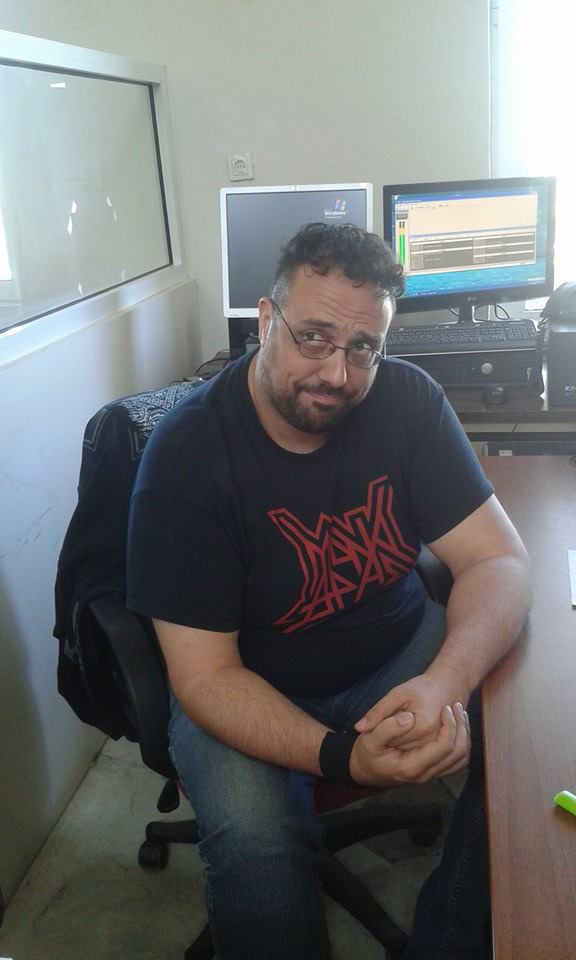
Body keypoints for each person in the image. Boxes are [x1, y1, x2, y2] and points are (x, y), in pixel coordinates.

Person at [126, 222, 531, 960]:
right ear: (265, 320)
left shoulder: (406, 401)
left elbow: (498, 559)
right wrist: (342, 758)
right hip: (247, 684)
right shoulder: (188, 459)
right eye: (312, 337)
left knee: (529, 733)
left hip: (398, 649)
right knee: (258, 845)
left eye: (363, 347)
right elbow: (205, 676)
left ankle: (448, 939)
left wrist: (445, 681)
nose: (337, 374)